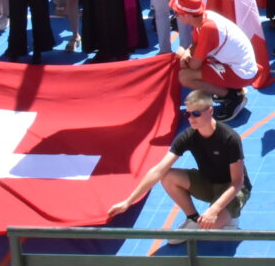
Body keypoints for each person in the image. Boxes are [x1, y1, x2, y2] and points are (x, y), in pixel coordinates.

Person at [106, 87, 251, 230]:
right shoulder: (188, 136)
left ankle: (232, 219)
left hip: (232, 188)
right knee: (167, 176)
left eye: (196, 113)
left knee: (209, 229)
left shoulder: (229, 138)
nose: (191, 119)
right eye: (187, 114)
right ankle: (193, 219)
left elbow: (237, 182)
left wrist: (213, 210)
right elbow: (158, 170)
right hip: (209, 183)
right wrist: (127, 202)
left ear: (210, 111)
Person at [168, 0, 260, 114]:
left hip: (241, 73)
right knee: (184, 62)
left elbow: (194, 65)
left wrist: (184, 54)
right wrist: (185, 54)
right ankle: (225, 89)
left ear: (186, 15)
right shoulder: (204, 18)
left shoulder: (208, 29)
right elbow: (194, 47)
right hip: (239, 65)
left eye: (177, 13)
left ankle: (232, 96)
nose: (175, 16)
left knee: (184, 77)